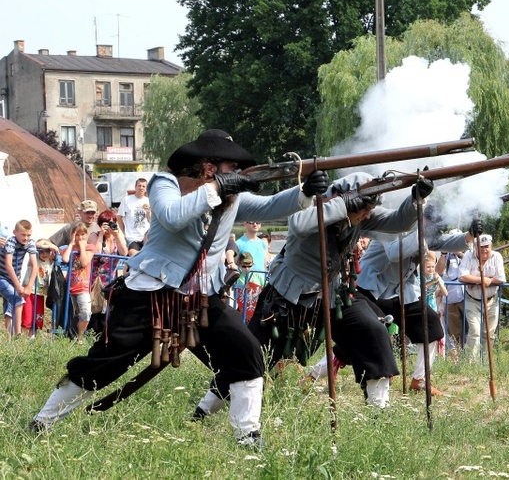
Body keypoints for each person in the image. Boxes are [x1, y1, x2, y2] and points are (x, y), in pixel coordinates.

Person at [31, 129, 329, 448]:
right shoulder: (166, 183)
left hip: (200, 299)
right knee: (104, 364)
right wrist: (218, 188)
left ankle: (248, 436)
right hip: (150, 295)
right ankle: (43, 422)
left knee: (246, 352)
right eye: (233, 167)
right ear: (209, 167)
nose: (239, 173)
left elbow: (270, 207)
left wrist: (304, 193)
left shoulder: (230, 198)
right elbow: (174, 217)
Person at [242, 172, 432, 410]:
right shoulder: (316, 205)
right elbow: (299, 225)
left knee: (373, 332)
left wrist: (415, 199)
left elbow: (398, 223)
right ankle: (206, 409)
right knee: (250, 355)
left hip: (335, 296)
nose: (368, 215)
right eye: (364, 208)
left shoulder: (361, 215)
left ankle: (379, 410)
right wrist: (341, 205)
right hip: (289, 297)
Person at [356, 208, 481, 395]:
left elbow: (446, 242)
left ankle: (420, 379)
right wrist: (423, 233)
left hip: (401, 292)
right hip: (371, 289)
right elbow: (393, 253)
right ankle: (317, 373)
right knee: (359, 337)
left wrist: (470, 235)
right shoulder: (392, 225)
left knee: (431, 326)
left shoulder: (423, 232)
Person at [458, 233, 506, 362]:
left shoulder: (497, 256)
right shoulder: (468, 255)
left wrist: (480, 280)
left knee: (489, 334)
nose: (484, 249)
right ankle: (472, 364)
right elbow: (462, 276)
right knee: (474, 332)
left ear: (491, 246)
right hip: (472, 300)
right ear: (475, 247)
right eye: (481, 246)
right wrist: (481, 280)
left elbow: (501, 279)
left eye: (487, 246)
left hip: (492, 300)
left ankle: (486, 362)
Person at [0, 220, 37, 336]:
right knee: (18, 300)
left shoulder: (30, 242)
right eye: (23, 234)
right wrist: (19, 287)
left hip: (15, 278)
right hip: (2, 277)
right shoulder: (10, 242)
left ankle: (8, 338)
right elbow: (8, 264)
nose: (26, 238)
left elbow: (34, 264)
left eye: (28, 235)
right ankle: (18, 334)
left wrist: (29, 286)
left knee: (10, 309)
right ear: (15, 232)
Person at [61, 223, 96, 344]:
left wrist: (82, 248)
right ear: (73, 235)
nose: (80, 238)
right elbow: (65, 259)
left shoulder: (90, 247)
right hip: (70, 286)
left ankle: (79, 337)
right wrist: (71, 244)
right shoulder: (69, 248)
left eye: (83, 234)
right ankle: (70, 337)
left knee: (86, 312)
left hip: (83, 286)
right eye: (77, 235)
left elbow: (84, 262)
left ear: (86, 235)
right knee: (73, 314)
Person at [22, 238, 59, 336]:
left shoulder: (50, 261)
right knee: (27, 314)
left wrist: (51, 246)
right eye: (42, 251)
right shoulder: (34, 258)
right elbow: (36, 244)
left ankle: (33, 336)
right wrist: (48, 245)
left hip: (40, 292)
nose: (44, 254)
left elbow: (57, 250)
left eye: (47, 251)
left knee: (38, 315)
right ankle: (24, 336)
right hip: (29, 291)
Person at [116, 177, 151, 256]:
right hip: (132, 237)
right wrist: (124, 232)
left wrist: (148, 213)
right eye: (139, 186)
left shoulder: (149, 201)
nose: (141, 188)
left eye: (143, 186)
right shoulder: (127, 200)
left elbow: (151, 221)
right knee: (133, 254)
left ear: (146, 188)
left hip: (146, 237)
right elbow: (119, 217)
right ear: (135, 187)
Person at [235, 252, 265, 323]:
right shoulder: (237, 277)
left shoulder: (258, 275)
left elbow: (264, 289)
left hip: (256, 311)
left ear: (253, 264)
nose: (247, 269)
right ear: (239, 265)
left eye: (249, 266)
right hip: (241, 311)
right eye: (244, 266)